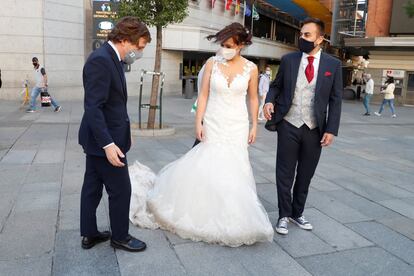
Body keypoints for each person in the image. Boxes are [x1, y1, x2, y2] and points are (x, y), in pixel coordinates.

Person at [129, 22, 274, 247]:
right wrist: (199, 121)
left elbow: (253, 98)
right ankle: (202, 209)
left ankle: (231, 214)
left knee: (235, 168)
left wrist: (254, 125)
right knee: (207, 163)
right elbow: (203, 95)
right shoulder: (211, 63)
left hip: (237, 124)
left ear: (241, 46)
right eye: (222, 45)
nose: (224, 49)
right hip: (214, 121)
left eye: (229, 45)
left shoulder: (251, 69)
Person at [263, 18, 342, 235]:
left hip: (315, 128)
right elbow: (275, 86)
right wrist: (269, 100)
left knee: (305, 174)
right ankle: (283, 215)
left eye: (307, 35)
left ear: (320, 39)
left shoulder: (333, 65)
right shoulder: (288, 60)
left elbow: (335, 99)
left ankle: (297, 213)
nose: (302, 38)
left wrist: (331, 129)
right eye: (301, 34)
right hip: (288, 123)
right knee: (284, 174)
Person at [78, 17, 151, 252]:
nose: (140, 51)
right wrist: (109, 144)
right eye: (139, 46)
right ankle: (120, 237)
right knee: (121, 190)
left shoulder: (112, 58)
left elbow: (113, 103)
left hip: (101, 137)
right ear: (124, 39)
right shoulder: (101, 60)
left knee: (92, 186)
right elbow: (93, 107)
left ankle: (89, 234)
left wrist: (125, 130)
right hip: (104, 140)